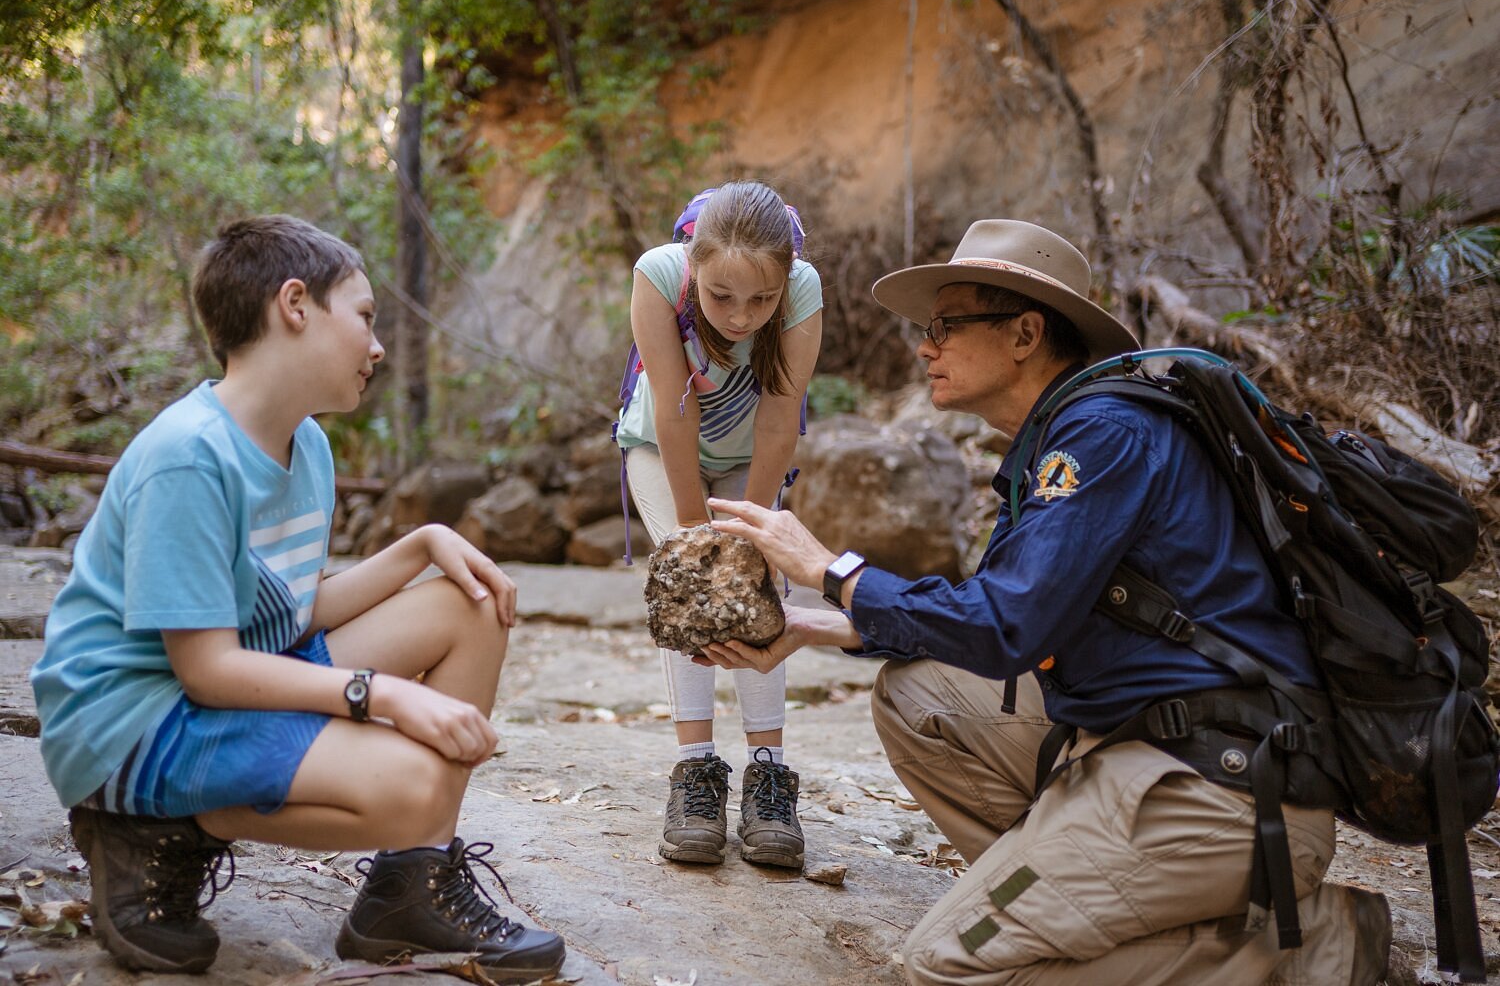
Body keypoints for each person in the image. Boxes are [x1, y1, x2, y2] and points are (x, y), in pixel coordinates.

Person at [696, 220, 1392, 984]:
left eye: (946, 327)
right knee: (920, 693)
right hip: (1156, 746)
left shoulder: (1103, 436)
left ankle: (1312, 948)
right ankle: (1058, 901)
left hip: (1218, 787)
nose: (925, 348)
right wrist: (819, 625)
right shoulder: (1057, 439)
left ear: (1025, 333)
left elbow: (1005, 629)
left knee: (944, 965)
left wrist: (834, 569)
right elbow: (994, 612)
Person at [30, 215, 566, 983]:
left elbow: (292, 613)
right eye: (366, 317)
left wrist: (421, 545)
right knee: (415, 785)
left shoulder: (306, 442)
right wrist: (380, 697)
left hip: (223, 684)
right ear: (294, 305)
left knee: (468, 600)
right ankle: (150, 831)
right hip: (134, 725)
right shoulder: (188, 456)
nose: (377, 347)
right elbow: (208, 671)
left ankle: (407, 889)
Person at [612, 180, 823, 869]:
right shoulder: (658, 275)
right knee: (689, 577)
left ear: (784, 280)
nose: (742, 316)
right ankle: (696, 769)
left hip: (750, 453)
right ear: (694, 264)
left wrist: (749, 540)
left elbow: (778, 417)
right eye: (722, 296)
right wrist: (699, 538)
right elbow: (674, 412)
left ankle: (768, 774)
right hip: (661, 443)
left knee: (759, 583)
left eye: (762, 299)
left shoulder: (805, 290)